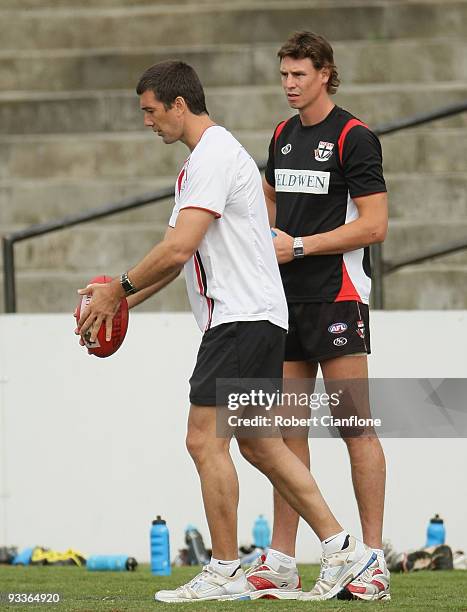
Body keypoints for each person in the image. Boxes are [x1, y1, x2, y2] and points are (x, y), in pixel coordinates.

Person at [77, 60, 377, 602]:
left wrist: (116, 289)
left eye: (150, 111)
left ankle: (223, 568)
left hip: (240, 320)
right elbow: (178, 259)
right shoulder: (203, 161)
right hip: (252, 318)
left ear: (179, 105)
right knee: (262, 446)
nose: (147, 122)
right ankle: (346, 552)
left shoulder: (212, 156)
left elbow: (176, 246)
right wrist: (120, 302)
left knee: (203, 440)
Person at [244, 31, 390, 602]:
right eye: (283, 75)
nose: (289, 85)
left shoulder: (356, 136)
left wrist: (300, 245)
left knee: (355, 426)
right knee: (286, 434)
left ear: (326, 73)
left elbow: (375, 225)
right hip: (286, 299)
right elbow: (277, 201)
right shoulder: (282, 134)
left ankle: (371, 560)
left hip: (338, 295)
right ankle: (282, 560)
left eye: (298, 75)